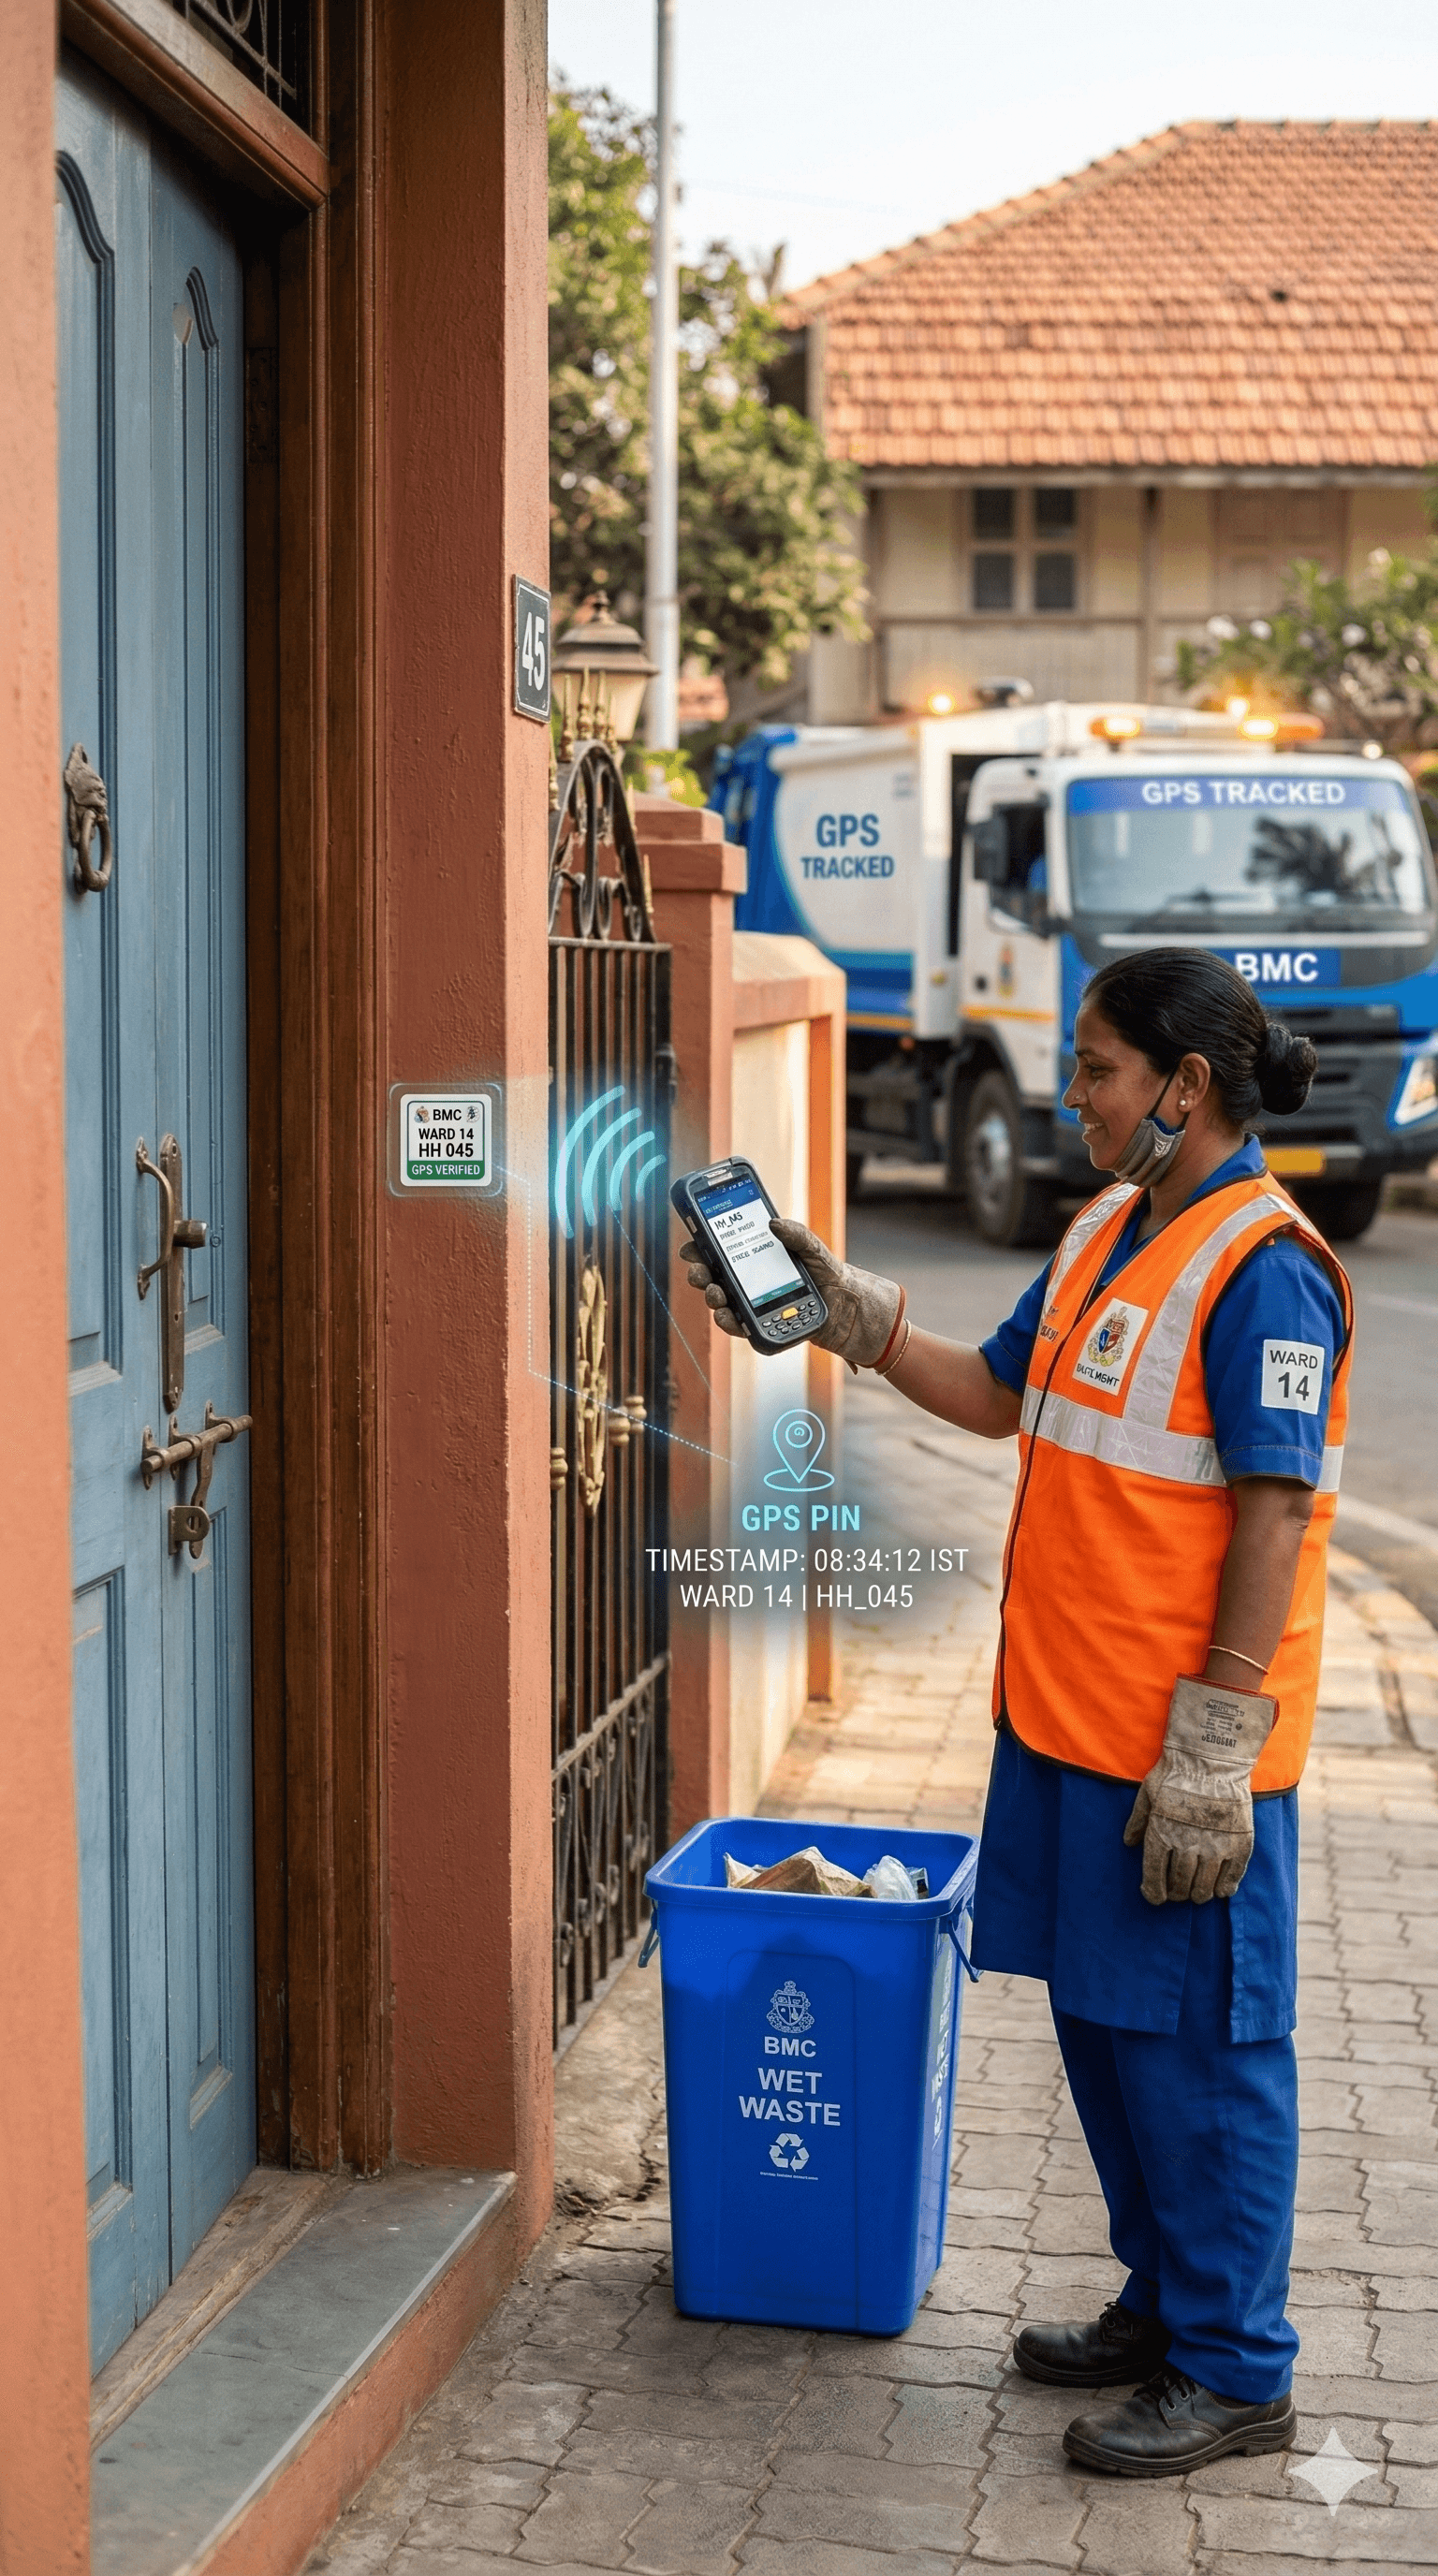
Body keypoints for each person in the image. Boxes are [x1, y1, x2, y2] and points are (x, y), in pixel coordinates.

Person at [681, 948, 1353, 2479]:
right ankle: (1167, 2302)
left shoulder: (1269, 1267)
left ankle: (1242, 2367)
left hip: (1176, 1759)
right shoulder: (1113, 1223)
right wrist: (839, 1315)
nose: (1075, 1093)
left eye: (1099, 1069)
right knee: (1108, 2042)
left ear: (1184, 1089)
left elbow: (1270, 1514)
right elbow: (997, 1391)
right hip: (1062, 1730)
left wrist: (1217, 1748)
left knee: (1204, 2055)